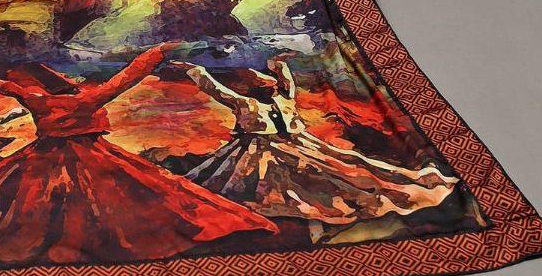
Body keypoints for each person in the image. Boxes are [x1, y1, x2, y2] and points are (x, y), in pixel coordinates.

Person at [0, 43, 281, 272]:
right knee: (151, 201)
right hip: (94, 161)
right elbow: (128, 78)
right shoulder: (89, 99)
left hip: (38, 162)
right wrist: (156, 53)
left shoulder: (37, 100)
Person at [173, 59, 458, 230]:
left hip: (289, 147)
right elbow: (217, 89)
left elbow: (282, 81)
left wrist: (278, 65)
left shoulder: (276, 99)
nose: (269, 84)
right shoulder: (251, 102)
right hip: (261, 150)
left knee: (345, 169)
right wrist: (195, 71)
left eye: (268, 81)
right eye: (263, 82)